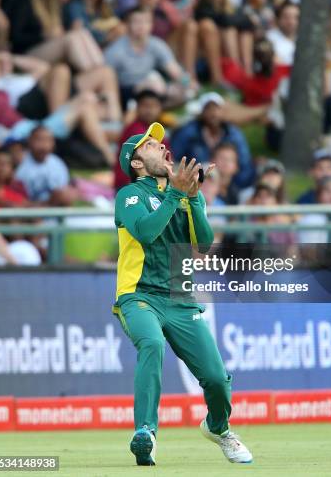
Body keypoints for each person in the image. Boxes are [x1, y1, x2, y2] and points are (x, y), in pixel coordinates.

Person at [113, 121, 252, 465]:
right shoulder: (130, 195)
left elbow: (203, 244)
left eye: (161, 144)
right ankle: (145, 432)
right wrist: (176, 194)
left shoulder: (187, 194)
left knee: (217, 379)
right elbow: (145, 232)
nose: (161, 147)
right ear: (136, 162)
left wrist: (191, 197)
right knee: (152, 344)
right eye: (150, 145)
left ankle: (218, 428)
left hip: (179, 298)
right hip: (138, 295)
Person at [4, 0, 122, 121]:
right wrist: (44, 36)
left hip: (51, 58)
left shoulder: (53, 3)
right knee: (72, 38)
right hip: (28, 55)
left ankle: (115, 123)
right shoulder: (22, 0)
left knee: (82, 36)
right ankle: (92, 72)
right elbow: (15, 38)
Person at [104, 6, 189, 108]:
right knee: (154, 85)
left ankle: (152, 109)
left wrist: (186, 82)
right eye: (136, 22)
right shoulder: (116, 50)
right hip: (126, 90)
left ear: (151, 25)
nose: (141, 26)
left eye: (145, 22)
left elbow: (174, 70)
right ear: (127, 25)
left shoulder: (156, 44)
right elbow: (106, 80)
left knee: (177, 91)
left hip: (152, 86)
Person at [171, 92, 255, 189]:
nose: (213, 113)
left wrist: (233, 188)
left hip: (230, 187)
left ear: (223, 112)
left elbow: (244, 165)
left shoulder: (234, 134)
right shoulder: (188, 132)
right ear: (202, 113)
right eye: (208, 108)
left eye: (217, 108)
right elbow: (175, 160)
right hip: (193, 187)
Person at [136, 0, 199, 86]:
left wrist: (170, 11)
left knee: (190, 26)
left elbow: (177, 26)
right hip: (146, 53)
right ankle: (185, 81)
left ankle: (190, 75)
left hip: (166, 49)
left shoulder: (162, 12)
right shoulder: (132, 15)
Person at [195, 0, 254, 80]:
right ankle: (234, 71)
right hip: (204, 54)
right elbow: (223, 20)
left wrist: (234, 20)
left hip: (224, 47)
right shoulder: (200, 6)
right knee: (229, 30)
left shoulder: (231, 6)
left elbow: (248, 24)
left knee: (244, 32)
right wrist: (234, 21)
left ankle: (247, 71)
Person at [114, 89, 170, 191]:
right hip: (129, 184)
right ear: (137, 108)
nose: (150, 110)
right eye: (146, 106)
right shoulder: (135, 130)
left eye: (154, 106)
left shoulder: (157, 131)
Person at [14, 126, 77, 204]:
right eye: (39, 140)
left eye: (48, 140)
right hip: (30, 211)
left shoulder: (58, 163)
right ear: (29, 141)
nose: (44, 145)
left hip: (56, 211)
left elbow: (64, 193)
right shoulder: (20, 163)